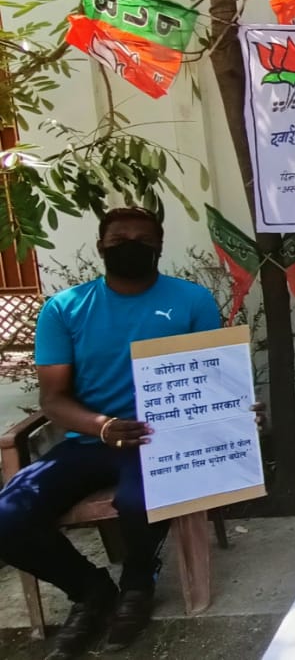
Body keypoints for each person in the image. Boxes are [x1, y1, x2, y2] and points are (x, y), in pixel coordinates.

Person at [0, 207, 243, 659]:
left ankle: (137, 581)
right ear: (100, 247)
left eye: (141, 238)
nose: (130, 245)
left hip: (163, 437)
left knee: (138, 500)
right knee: (8, 517)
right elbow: (53, 399)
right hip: (90, 439)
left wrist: (237, 406)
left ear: (158, 247)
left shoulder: (191, 301)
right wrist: (102, 426)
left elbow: (213, 376)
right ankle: (90, 590)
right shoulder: (65, 308)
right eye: (119, 239)